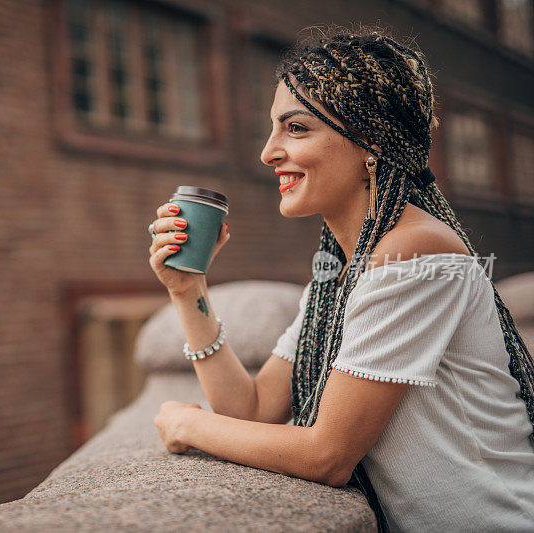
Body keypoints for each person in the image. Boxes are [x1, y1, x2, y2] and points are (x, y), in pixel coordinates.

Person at [149, 26, 534, 532]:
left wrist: (189, 424)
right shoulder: (340, 273)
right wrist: (188, 290)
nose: (268, 153)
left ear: (370, 139)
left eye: (297, 128)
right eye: (273, 129)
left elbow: (326, 456)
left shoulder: (414, 253)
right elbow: (256, 409)